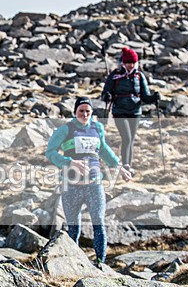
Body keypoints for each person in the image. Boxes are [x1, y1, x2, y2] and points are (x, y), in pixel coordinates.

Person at [46, 97, 132, 264]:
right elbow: (50, 153)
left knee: (99, 223)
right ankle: (74, 263)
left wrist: (119, 167)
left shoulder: (97, 128)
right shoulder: (65, 130)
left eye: (88, 111)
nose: (85, 114)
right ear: (75, 112)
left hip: (94, 185)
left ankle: (100, 262)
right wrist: (70, 162)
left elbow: (104, 150)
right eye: (81, 111)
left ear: (92, 113)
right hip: (71, 186)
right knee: (73, 228)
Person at [100, 47, 160, 174]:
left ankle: (128, 165)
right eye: (128, 63)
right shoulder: (115, 75)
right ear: (123, 63)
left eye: (133, 62)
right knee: (126, 138)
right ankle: (126, 166)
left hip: (135, 112)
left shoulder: (139, 76)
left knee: (131, 140)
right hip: (119, 111)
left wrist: (154, 98)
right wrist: (107, 96)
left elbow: (145, 97)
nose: (130, 65)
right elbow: (105, 92)